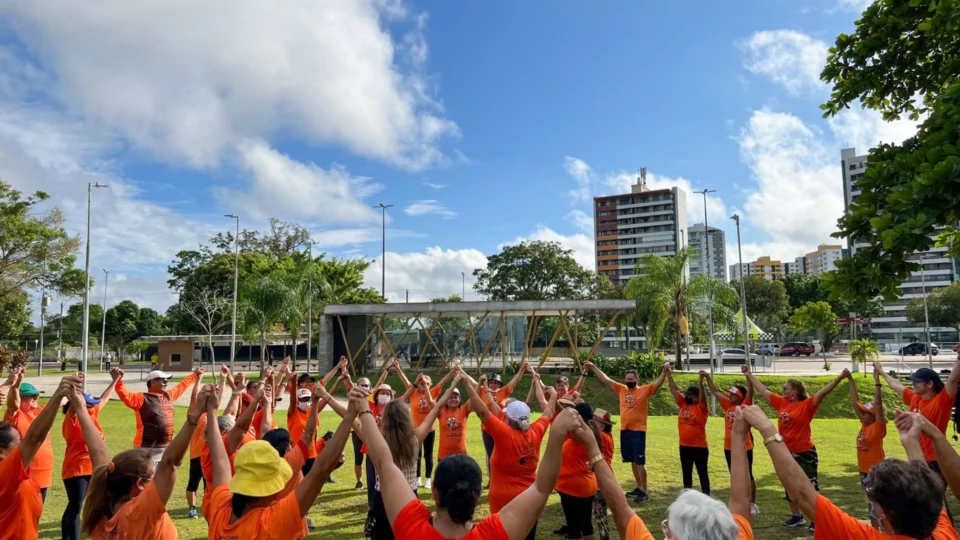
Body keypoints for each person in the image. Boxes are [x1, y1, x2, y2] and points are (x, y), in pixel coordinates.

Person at [359, 380, 582, 540]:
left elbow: (385, 463)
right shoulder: (491, 533)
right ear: (476, 495)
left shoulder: (412, 528)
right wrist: (557, 433)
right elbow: (542, 488)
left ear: (435, 492)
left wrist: (362, 410)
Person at [741, 404, 956, 540]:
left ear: (885, 514)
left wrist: (767, 430)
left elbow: (803, 495)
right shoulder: (942, 530)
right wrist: (912, 442)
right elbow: (926, 484)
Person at [205, 377, 357, 539]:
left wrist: (211, 410)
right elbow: (319, 472)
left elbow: (220, 460)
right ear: (272, 491)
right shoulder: (270, 522)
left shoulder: (220, 507)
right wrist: (349, 418)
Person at [80, 381, 210, 538]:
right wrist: (195, 416)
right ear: (140, 484)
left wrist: (80, 408)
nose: (156, 479)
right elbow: (170, 464)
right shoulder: (143, 510)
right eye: (153, 476)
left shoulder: (101, 512)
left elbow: (98, 454)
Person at [744, 367, 846, 530]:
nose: (782, 390)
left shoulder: (806, 405)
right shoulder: (782, 402)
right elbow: (763, 390)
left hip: (805, 452)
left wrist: (839, 378)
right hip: (786, 451)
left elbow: (822, 393)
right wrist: (749, 375)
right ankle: (797, 516)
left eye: (785, 388)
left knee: (810, 486)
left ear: (794, 391)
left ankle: (816, 518)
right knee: (789, 484)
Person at [462, 370, 555, 540]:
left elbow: (483, 412)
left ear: (509, 420)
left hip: (503, 502)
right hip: (529, 499)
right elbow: (548, 413)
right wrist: (554, 396)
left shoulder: (504, 433)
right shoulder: (536, 431)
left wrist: (469, 385)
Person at [368, 375, 459, 540]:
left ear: (385, 420)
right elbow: (437, 408)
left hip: (383, 499)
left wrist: (329, 398)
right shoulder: (414, 439)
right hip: (410, 499)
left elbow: (358, 422)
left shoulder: (378, 443)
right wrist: (453, 384)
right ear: (406, 418)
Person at [0, 374, 82, 540]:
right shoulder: (6, 474)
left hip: (40, 478)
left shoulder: (18, 479)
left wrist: (67, 392)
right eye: (17, 445)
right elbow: (33, 438)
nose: (21, 449)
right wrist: (13, 386)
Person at [584, 360, 669, 502]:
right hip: (626, 430)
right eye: (627, 379)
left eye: (632, 379)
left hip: (638, 431)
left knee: (640, 461)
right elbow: (606, 380)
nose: (629, 381)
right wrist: (593, 367)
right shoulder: (622, 389)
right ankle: (638, 487)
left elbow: (658, 384)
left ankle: (645, 491)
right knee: (632, 460)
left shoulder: (644, 390)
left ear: (637, 379)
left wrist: (664, 373)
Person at [875, 352, 960, 474]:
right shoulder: (915, 398)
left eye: (917, 381)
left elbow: (953, 379)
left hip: (936, 460)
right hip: (916, 457)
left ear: (930, 384)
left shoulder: (942, 401)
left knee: (933, 493)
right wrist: (880, 371)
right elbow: (895, 384)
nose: (913, 384)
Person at [60, 370, 117, 540]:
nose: (92, 406)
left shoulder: (90, 415)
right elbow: (73, 405)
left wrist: (115, 381)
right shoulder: (73, 419)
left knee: (84, 505)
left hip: (94, 468)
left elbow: (104, 398)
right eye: (88, 404)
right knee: (76, 507)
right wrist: (75, 385)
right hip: (76, 470)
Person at [113, 366, 202, 466]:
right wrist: (119, 380)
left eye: (166, 381)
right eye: (163, 381)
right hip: (146, 448)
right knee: (146, 478)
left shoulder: (168, 395)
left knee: (161, 478)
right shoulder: (141, 398)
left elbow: (182, 385)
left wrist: (195, 375)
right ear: (153, 382)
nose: (166, 383)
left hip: (166, 447)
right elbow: (124, 395)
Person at [703, 368, 758, 515]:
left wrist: (748, 375)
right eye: (730, 393)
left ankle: (752, 503)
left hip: (744, 445)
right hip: (729, 446)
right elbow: (715, 392)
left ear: (740, 396)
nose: (730, 395)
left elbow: (751, 391)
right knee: (734, 474)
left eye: (733, 394)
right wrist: (707, 377)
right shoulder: (728, 405)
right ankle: (739, 501)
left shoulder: (745, 404)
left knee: (748, 474)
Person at [4, 368, 55, 500]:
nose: (37, 397)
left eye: (37, 395)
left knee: (36, 513)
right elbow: (13, 404)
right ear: (22, 398)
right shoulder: (15, 416)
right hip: (25, 475)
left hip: (44, 475)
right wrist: (16, 385)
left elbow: (58, 401)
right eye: (33, 395)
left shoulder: (38, 412)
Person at [400, 368, 455, 489]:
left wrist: (452, 372)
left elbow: (443, 381)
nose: (424, 385)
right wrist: (398, 368)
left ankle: (428, 479)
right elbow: (405, 381)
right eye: (422, 382)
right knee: (416, 454)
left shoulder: (434, 392)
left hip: (429, 430)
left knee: (428, 454)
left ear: (431, 385)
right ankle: (418, 477)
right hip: (415, 430)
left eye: (427, 383)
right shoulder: (413, 392)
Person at [847, 368, 886, 529]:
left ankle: (888, 530)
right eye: (862, 413)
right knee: (869, 502)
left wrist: (877, 382)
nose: (861, 415)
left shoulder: (878, 426)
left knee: (880, 502)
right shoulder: (865, 424)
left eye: (865, 413)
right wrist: (850, 380)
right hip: (864, 470)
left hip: (876, 470)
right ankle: (875, 531)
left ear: (874, 415)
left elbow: (878, 404)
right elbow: (854, 402)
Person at [556, 402, 601, 540]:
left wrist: (555, 401)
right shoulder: (591, 432)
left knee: (574, 528)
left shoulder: (578, 434)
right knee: (586, 524)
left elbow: (564, 416)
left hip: (573, 488)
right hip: (587, 486)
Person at [479, 364, 526, 487]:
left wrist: (521, 369)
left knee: (502, 453)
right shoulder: (483, 391)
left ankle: (503, 477)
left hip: (502, 428)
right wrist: (460, 371)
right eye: (491, 382)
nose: (493, 385)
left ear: (500, 384)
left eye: (496, 383)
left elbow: (514, 381)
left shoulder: (504, 392)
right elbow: (471, 383)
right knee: (490, 454)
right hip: (487, 428)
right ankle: (492, 480)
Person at [436, 367, 476, 461]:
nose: (453, 399)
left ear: (459, 399)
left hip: (461, 456)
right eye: (450, 397)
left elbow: (475, 394)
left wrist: (464, 377)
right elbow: (430, 400)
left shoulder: (464, 409)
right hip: (443, 456)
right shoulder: (440, 411)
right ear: (445, 400)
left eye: (456, 397)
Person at [592, 409, 615, 540]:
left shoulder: (602, 436)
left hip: (600, 481)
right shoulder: (606, 435)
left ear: (601, 425)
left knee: (600, 515)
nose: (591, 422)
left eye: (594, 420)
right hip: (602, 478)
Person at [352, 374, 374, 490]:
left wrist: (386, 370)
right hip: (357, 431)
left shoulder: (373, 396)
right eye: (362, 385)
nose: (365, 387)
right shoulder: (354, 397)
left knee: (372, 457)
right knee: (358, 458)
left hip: (370, 430)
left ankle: (373, 480)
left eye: (367, 385)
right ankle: (359, 481)